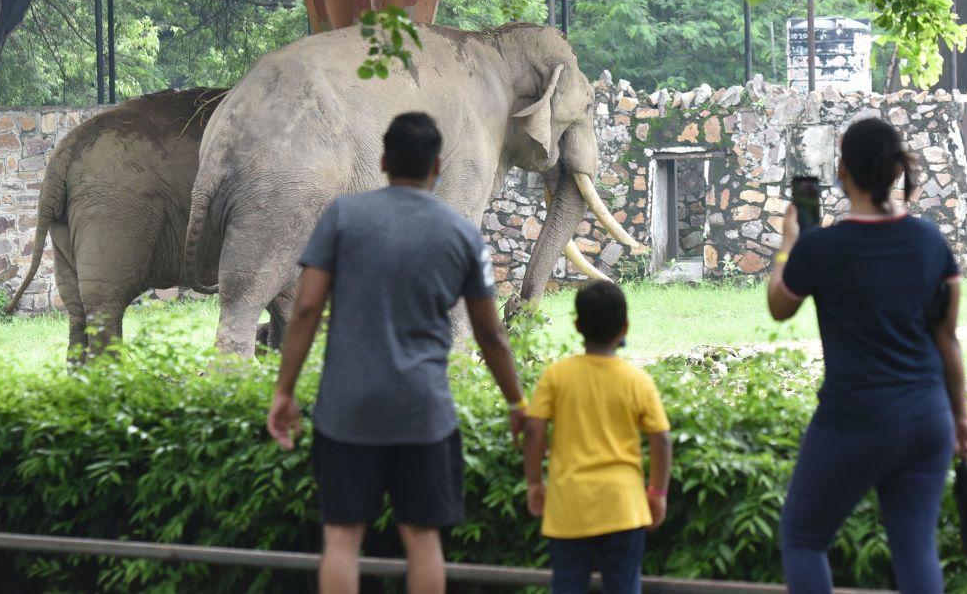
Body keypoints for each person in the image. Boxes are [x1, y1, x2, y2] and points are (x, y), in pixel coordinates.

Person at [266, 112, 527, 594]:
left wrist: (284, 391)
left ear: (383, 160)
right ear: (439, 166)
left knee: (342, 539)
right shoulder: (462, 233)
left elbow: (304, 310)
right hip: (424, 411)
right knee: (423, 540)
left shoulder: (343, 216)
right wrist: (516, 402)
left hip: (345, 410)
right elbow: (491, 335)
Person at [768, 117, 967, 594]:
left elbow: (780, 306)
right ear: (892, 171)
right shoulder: (930, 241)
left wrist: (789, 244)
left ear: (843, 171)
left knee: (803, 538)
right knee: (916, 550)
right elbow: (948, 338)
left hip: (854, 418)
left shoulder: (821, 247)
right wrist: (961, 419)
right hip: (928, 418)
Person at [524, 281, 673, 594]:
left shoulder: (556, 376)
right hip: (623, 505)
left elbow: (534, 429)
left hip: (568, 504)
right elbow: (661, 439)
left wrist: (535, 483)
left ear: (577, 325)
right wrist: (658, 491)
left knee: (566, 586)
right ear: (625, 327)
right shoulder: (637, 381)